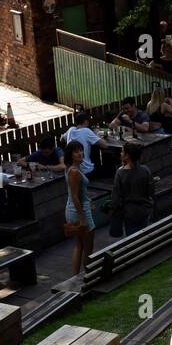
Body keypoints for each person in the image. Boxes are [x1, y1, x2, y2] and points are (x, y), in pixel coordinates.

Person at [109, 141, 153, 237]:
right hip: (144, 210)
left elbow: (116, 197)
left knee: (133, 240)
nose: (121, 153)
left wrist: (112, 210)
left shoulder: (120, 173)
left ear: (127, 155)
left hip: (129, 213)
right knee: (144, 237)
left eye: (122, 151)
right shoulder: (145, 170)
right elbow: (150, 191)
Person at [65, 140, 95, 274]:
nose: (80, 153)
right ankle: (87, 277)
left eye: (81, 150)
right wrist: (82, 218)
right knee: (88, 246)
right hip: (79, 210)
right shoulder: (74, 172)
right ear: (70, 155)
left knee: (80, 244)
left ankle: (75, 277)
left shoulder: (74, 169)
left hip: (78, 207)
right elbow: (75, 196)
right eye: (76, 151)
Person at [61, 111, 102, 177]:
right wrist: (98, 136)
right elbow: (104, 145)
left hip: (71, 168)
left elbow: (62, 139)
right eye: (88, 121)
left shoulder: (71, 130)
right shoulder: (86, 131)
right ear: (86, 121)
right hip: (86, 171)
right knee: (108, 169)